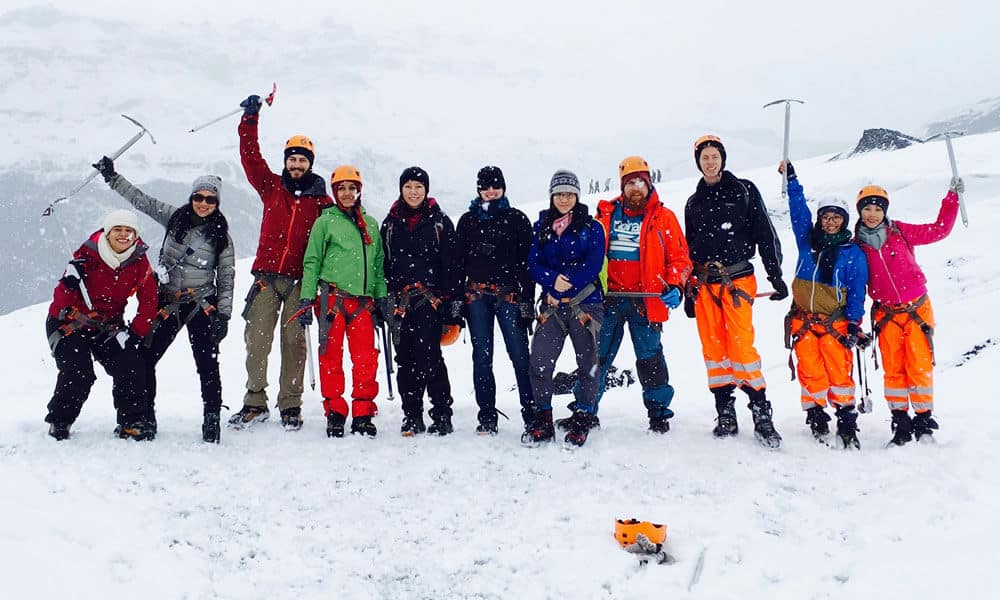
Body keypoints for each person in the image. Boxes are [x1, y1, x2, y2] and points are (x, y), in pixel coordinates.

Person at [92, 158, 235, 443]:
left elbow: (227, 277)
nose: (204, 203)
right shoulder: (175, 218)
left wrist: (224, 315)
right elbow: (141, 201)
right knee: (145, 357)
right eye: (199, 197)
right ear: (191, 197)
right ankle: (146, 416)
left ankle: (211, 418)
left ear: (217, 203)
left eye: (210, 199)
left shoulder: (222, 237)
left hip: (200, 304)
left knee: (207, 362)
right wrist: (112, 177)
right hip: (168, 301)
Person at [566, 156, 691, 437]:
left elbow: (680, 259)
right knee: (596, 355)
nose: (636, 187)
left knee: (650, 357)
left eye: (640, 182)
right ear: (623, 186)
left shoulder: (664, 217)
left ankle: (658, 411)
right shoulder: (605, 217)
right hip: (608, 300)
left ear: (648, 184)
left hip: (646, 300)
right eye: (630, 182)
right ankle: (585, 408)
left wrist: (675, 286)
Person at [231, 94, 330, 431]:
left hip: (301, 281)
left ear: (310, 163)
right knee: (257, 340)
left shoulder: (322, 202)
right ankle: (254, 402)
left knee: (294, 343)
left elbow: (336, 239)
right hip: (266, 279)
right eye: (292, 159)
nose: (296, 165)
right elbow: (250, 157)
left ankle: (290, 404)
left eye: (302, 160)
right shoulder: (271, 187)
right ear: (286, 161)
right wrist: (250, 119)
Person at [685, 135, 787, 448]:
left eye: (714, 156)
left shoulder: (744, 190)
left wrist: (775, 274)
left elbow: (765, 234)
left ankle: (760, 411)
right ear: (699, 163)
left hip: (737, 280)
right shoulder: (693, 202)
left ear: (723, 158)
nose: (710, 162)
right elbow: (688, 248)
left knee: (741, 346)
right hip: (704, 284)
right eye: (704, 158)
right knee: (714, 350)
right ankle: (725, 410)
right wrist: (689, 288)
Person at [853, 177, 961, 445]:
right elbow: (853, 286)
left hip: (916, 310)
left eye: (878, 209)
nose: (872, 214)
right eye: (867, 208)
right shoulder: (856, 246)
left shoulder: (900, 232)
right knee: (894, 369)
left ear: (885, 212)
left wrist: (952, 198)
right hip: (886, 314)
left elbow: (939, 230)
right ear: (860, 212)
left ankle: (923, 422)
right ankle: (900, 423)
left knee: (919, 366)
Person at [44, 210, 158, 441]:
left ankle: (132, 421)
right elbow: (60, 303)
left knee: (131, 363)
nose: (123, 235)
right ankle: (60, 420)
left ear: (136, 235)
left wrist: (136, 333)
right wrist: (69, 282)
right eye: (118, 229)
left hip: (106, 327)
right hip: (69, 324)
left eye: (129, 231)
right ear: (107, 232)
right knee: (79, 371)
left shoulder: (138, 261)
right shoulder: (86, 256)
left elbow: (149, 300)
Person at [781, 162, 869, 449]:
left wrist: (855, 322)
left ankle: (846, 419)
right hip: (804, 320)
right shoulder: (808, 242)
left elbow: (857, 292)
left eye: (836, 217)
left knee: (840, 374)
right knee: (810, 370)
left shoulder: (853, 253)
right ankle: (816, 414)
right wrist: (792, 180)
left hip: (836, 323)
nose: (830, 222)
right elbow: (798, 212)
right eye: (826, 217)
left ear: (844, 221)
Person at [298, 165, 388, 438]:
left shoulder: (370, 223)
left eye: (352, 188)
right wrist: (305, 297)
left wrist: (382, 298)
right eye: (341, 188)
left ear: (360, 190)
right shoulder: (325, 221)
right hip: (332, 300)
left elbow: (379, 265)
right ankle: (335, 411)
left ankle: (362, 412)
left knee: (365, 359)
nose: (347, 193)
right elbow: (311, 261)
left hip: (363, 303)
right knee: (330, 357)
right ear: (335, 192)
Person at [524, 170, 605, 446]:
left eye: (569, 194)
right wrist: (550, 280)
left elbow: (593, 265)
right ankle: (543, 417)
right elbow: (533, 263)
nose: (564, 198)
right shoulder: (541, 226)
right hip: (553, 308)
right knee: (540, 362)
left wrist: (563, 286)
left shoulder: (592, 227)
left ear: (577, 196)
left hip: (586, 305)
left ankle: (583, 415)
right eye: (559, 193)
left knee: (588, 364)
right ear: (552, 196)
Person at [381, 167, 464, 436]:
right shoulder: (391, 223)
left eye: (418, 187)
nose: (413, 192)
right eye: (408, 187)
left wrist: (453, 307)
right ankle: (412, 415)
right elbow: (383, 264)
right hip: (401, 302)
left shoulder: (440, 222)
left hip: (431, 301)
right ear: (401, 189)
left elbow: (452, 266)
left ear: (426, 190)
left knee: (429, 358)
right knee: (405, 359)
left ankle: (441, 414)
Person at [456, 166, 535, 435]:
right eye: (486, 186)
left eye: (495, 186)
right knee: (482, 357)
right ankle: (487, 415)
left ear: (503, 187)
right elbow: (458, 264)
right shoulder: (467, 221)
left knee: (520, 356)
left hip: (509, 297)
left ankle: (531, 412)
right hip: (476, 297)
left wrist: (527, 301)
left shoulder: (516, 219)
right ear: (478, 189)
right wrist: (456, 301)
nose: (491, 191)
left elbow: (528, 265)